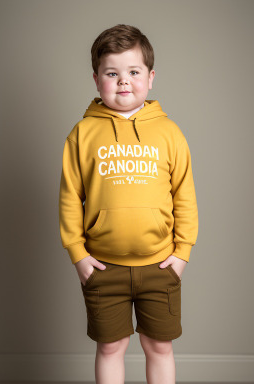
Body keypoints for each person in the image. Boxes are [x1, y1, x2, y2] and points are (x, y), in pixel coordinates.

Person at [59, 24, 198, 384]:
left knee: (160, 347)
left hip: (159, 265)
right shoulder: (82, 134)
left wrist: (182, 253)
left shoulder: (169, 133)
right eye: (112, 73)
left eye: (133, 72)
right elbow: (70, 197)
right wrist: (77, 254)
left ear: (150, 77)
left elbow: (185, 195)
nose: (124, 81)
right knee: (110, 348)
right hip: (104, 268)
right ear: (96, 79)